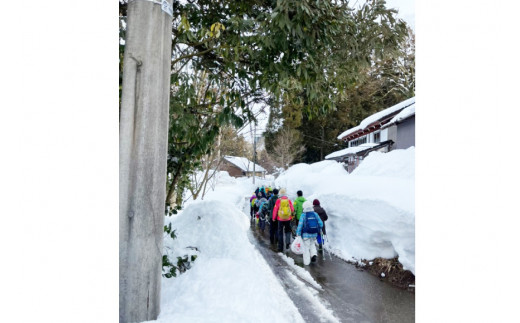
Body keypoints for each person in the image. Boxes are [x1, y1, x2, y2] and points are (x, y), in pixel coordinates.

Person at [296, 201, 324, 265]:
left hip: (306, 234)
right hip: (314, 234)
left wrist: (298, 234)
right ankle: (313, 254)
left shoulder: (303, 215)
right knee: (312, 245)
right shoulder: (315, 214)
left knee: (306, 247)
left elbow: (300, 225)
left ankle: (306, 263)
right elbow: (321, 224)